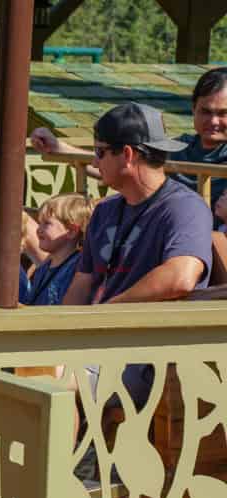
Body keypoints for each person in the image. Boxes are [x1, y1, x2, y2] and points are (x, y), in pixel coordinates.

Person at [62, 102, 211, 409]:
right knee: (18, 368)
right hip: (94, 346)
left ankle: (70, 457)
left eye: (100, 151)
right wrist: (58, 332)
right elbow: (81, 285)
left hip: (144, 360)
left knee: (47, 379)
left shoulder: (185, 207)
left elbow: (181, 276)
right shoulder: (104, 210)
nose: (94, 160)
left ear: (127, 155)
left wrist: (108, 311)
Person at [31, 66, 227, 227]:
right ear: (193, 108)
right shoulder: (180, 147)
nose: (214, 121)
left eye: (223, 113)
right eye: (206, 111)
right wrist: (59, 148)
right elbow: (123, 165)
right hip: (159, 232)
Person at [22, 193, 94, 306]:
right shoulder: (43, 268)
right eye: (39, 223)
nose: (38, 229)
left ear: (71, 231)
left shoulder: (78, 267)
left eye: (46, 224)